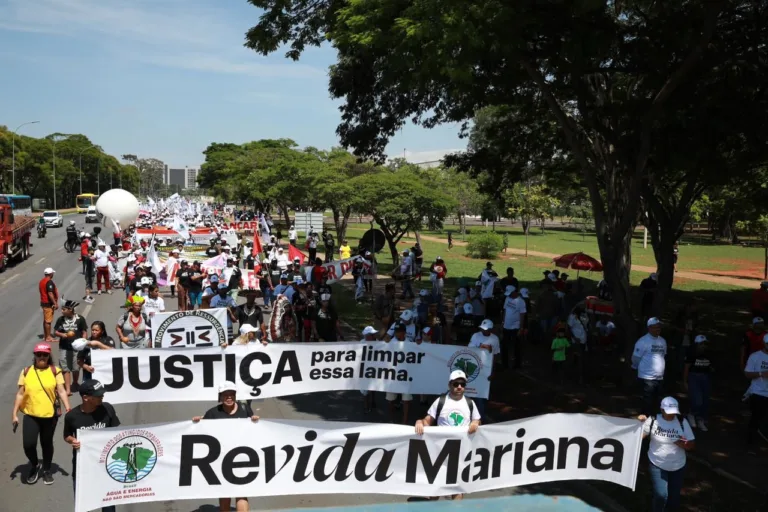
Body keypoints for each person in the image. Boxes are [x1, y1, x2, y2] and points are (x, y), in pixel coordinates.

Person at [192, 381, 259, 512]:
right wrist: (197, 422)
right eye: (225, 395)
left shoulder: (245, 409)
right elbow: (203, 428)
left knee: (241, 493)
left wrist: (256, 420)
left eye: (231, 394)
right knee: (225, 493)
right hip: (221, 458)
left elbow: (253, 425)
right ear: (220, 397)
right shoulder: (213, 413)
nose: (229, 397)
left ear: (235, 396)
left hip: (242, 457)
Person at [415, 370, 480, 501]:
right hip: (440, 451)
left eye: (462, 384)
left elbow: (477, 420)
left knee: (456, 487)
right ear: (450, 385)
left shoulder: (470, 403)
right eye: (456, 384)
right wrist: (419, 422)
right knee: (436, 487)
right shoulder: (441, 401)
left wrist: (475, 422)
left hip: (461, 452)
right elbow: (427, 421)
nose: (460, 387)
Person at [12, 343, 71, 485]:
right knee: (28, 444)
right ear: (35, 356)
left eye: (45, 355)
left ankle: (46, 469)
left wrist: (68, 408)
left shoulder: (55, 371)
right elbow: (20, 394)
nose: (42, 357)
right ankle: (34, 464)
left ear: (49, 356)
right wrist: (14, 414)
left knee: (46, 443)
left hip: (49, 416)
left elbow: (62, 391)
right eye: (39, 354)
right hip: (31, 414)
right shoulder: (26, 372)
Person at [63, 380, 120, 506]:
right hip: (83, 467)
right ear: (86, 398)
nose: (102, 397)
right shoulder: (72, 416)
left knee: (108, 501)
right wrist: (73, 441)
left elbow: (117, 432)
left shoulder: (107, 409)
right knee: (82, 503)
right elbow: (67, 436)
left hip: (107, 466)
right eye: (98, 395)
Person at [637, 397, 695, 512]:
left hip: (678, 466)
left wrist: (684, 444)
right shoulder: (653, 420)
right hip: (657, 464)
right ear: (662, 410)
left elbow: (691, 444)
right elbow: (639, 437)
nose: (671, 415)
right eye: (669, 412)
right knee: (661, 495)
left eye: (674, 412)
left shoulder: (682, 421)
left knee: (674, 498)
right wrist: (639, 423)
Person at [632, 317, 667, 416]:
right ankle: (645, 424)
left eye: (659, 327)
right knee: (647, 403)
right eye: (655, 327)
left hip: (659, 377)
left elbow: (662, 356)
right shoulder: (643, 341)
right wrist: (635, 367)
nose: (658, 329)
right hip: (647, 377)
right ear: (649, 328)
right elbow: (635, 358)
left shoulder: (663, 341)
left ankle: (654, 423)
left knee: (657, 403)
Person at [53, 300, 89, 396]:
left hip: (77, 348)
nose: (62, 311)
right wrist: (62, 334)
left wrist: (84, 342)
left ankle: (75, 382)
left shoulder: (80, 319)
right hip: (64, 347)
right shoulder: (61, 320)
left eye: (64, 309)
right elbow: (55, 332)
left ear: (70, 309)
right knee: (65, 368)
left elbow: (84, 332)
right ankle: (68, 389)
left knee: (76, 367)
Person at [468, 319, 499, 418]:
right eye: (482, 328)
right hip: (473, 367)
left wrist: (493, 371)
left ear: (491, 329)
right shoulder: (475, 336)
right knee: (470, 392)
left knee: (481, 395)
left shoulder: (495, 339)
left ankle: (480, 417)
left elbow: (496, 355)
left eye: (486, 329)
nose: (484, 331)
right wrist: (481, 346)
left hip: (486, 369)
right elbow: (469, 349)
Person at [743, 333, 768, 448]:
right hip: (757, 392)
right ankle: (750, 443)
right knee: (756, 417)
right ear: (764, 343)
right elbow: (747, 374)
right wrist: (761, 373)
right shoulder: (755, 356)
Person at [684, 334, 712, 432]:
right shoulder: (691, 353)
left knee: (705, 400)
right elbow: (687, 367)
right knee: (697, 400)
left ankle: (700, 419)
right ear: (696, 344)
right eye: (701, 344)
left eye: (705, 344)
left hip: (705, 377)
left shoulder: (708, 353)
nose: (703, 346)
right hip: (694, 377)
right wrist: (685, 381)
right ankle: (691, 414)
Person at [501, 286, 526, 369]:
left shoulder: (521, 301)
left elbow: (522, 315)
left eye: (510, 293)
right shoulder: (507, 298)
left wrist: (521, 328)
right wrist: (503, 322)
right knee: (504, 345)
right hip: (506, 326)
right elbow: (505, 310)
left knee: (516, 346)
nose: (509, 295)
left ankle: (517, 364)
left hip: (515, 327)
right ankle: (504, 364)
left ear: (514, 292)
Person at [360, 326, 378, 413]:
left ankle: (373, 400)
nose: (374, 335)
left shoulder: (378, 343)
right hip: (364, 368)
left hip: (375, 368)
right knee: (364, 388)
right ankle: (366, 406)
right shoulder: (361, 343)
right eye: (372, 334)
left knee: (373, 386)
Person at [39, 268, 59, 343]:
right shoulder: (49, 282)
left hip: (44, 302)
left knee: (46, 320)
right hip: (48, 303)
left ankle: (46, 335)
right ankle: (48, 337)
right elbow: (50, 293)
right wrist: (55, 303)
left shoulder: (42, 281)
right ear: (50, 274)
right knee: (48, 321)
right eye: (52, 273)